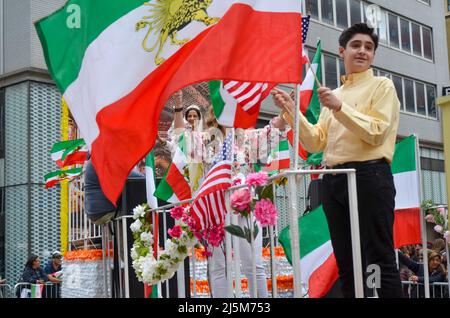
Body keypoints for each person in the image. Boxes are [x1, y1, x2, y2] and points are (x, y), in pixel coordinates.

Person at [272, 23, 403, 297]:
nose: (363, 51)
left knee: (380, 258)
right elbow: (317, 141)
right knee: (346, 262)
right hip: (334, 181)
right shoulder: (335, 94)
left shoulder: (382, 86)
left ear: (374, 55)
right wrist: (290, 111)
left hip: (369, 176)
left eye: (369, 47)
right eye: (356, 45)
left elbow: (377, 132)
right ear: (342, 51)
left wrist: (339, 107)